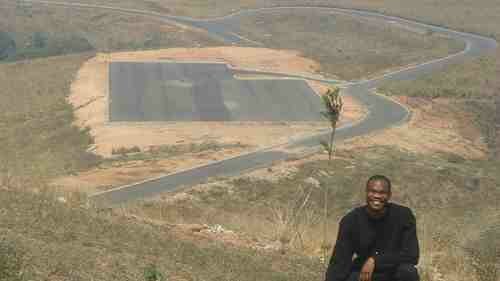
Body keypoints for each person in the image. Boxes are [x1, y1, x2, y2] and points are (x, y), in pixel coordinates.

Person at [325, 175, 420, 281]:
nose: (377, 196)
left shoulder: (403, 216)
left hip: (393, 271)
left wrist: (375, 260)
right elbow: (340, 261)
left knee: (408, 272)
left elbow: (412, 255)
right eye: (373, 191)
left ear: (389, 195)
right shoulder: (351, 220)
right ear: (366, 193)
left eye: (382, 193)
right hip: (365, 274)